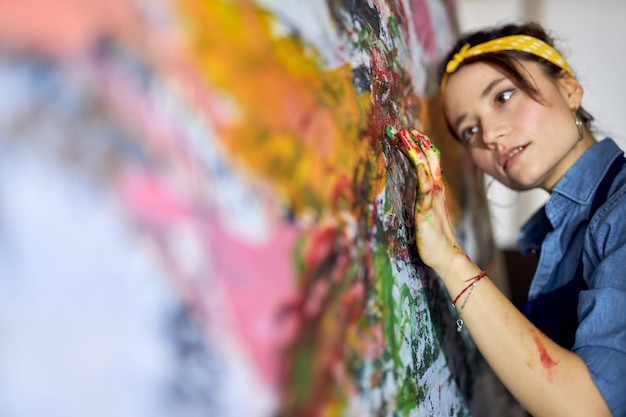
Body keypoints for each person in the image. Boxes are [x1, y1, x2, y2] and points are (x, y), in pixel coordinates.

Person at [387, 22, 626, 417]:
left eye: (503, 96)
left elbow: (588, 408)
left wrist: (449, 258)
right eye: (470, 130)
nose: (491, 136)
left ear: (568, 88)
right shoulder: (555, 235)